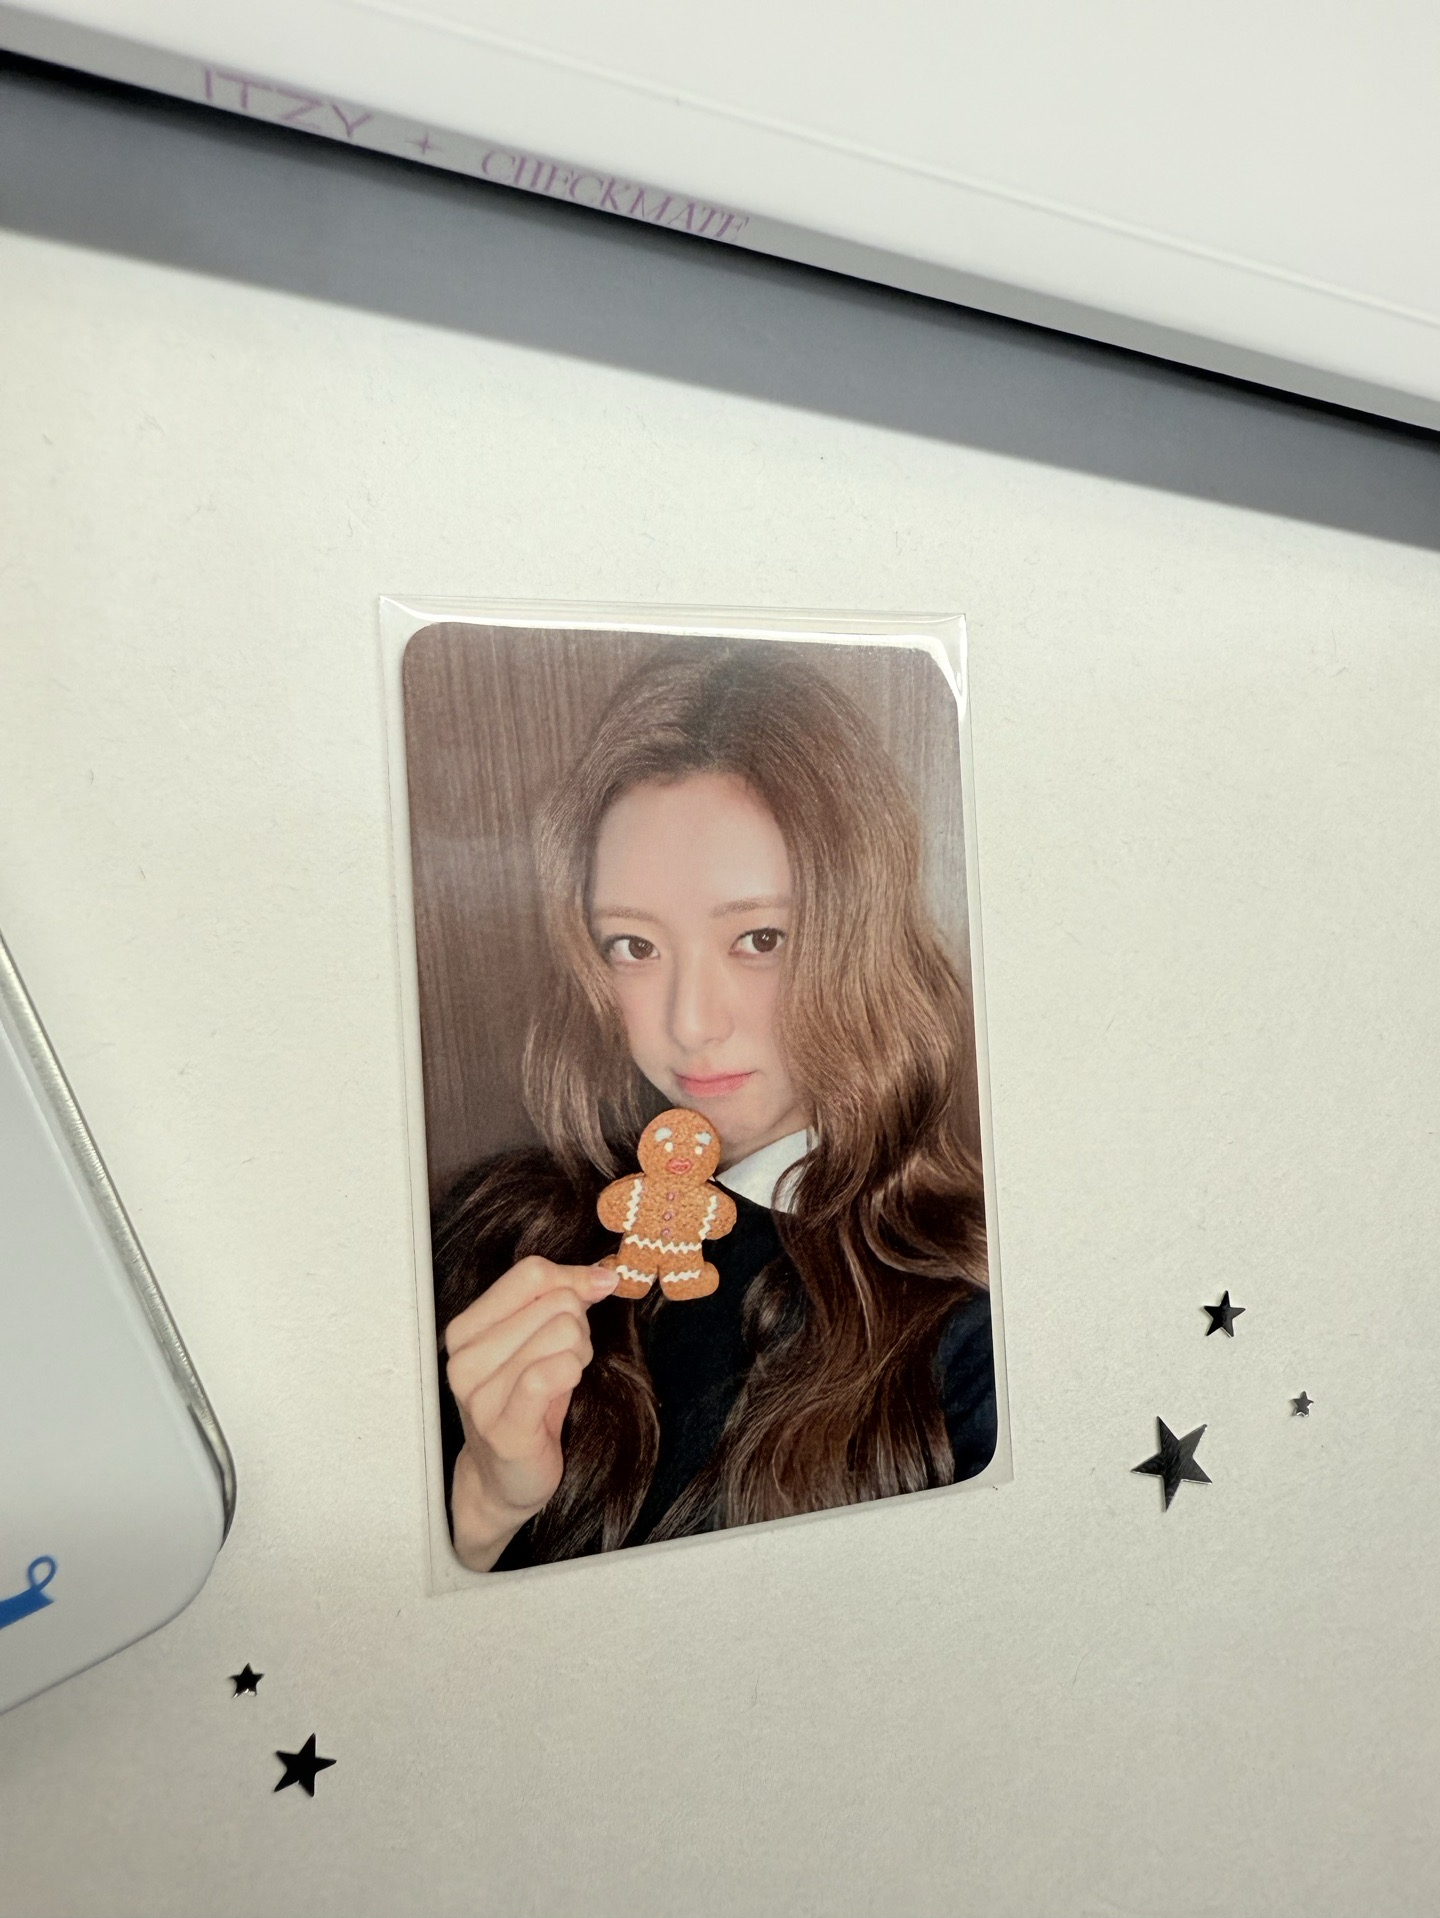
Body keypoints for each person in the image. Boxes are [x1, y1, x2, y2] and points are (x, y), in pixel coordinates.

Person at [433, 641, 995, 1571]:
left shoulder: (970, 1335)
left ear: (860, 938)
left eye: (759, 938)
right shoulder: (495, 1232)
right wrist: (482, 1510)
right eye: (633, 946)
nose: (691, 1025)